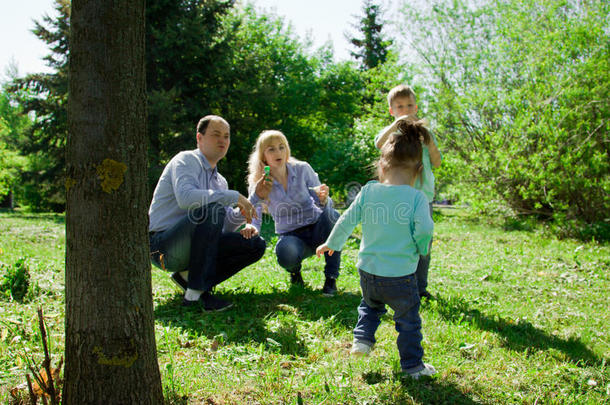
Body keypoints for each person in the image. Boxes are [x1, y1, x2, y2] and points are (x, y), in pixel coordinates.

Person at [316, 121, 436, 379]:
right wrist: (421, 247)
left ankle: (362, 340)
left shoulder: (369, 191)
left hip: (368, 272)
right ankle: (413, 366)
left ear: (382, 166)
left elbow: (346, 219)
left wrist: (331, 244)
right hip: (401, 275)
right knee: (408, 320)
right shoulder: (417, 198)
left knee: (370, 307)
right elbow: (425, 229)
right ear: (419, 169)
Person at [148, 115, 266, 312]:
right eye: (216, 134)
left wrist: (254, 198)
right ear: (199, 138)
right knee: (213, 207)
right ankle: (195, 295)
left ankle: (186, 278)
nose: (222, 140)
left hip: (192, 247)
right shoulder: (185, 160)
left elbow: (224, 225)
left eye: (226, 136)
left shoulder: (220, 181)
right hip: (162, 246)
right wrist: (233, 196)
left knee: (256, 245)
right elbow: (186, 198)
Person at [247, 130, 341, 296]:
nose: (278, 152)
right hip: (292, 236)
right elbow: (254, 212)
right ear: (263, 157)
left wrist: (324, 198)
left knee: (333, 215)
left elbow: (324, 203)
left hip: (317, 227)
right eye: (271, 149)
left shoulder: (302, 169)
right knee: (286, 252)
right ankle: (295, 273)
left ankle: (331, 278)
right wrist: (253, 228)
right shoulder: (260, 182)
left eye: (281, 147)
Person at [375, 84, 441, 299]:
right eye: (400, 107)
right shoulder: (393, 131)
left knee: (423, 240)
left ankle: (420, 287)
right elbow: (378, 143)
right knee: (399, 240)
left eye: (409, 105)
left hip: (423, 196)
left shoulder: (426, 133)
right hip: (397, 195)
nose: (406, 111)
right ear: (392, 111)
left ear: (416, 107)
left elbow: (437, 162)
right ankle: (397, 283)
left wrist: (428, 142)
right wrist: (395, 125)